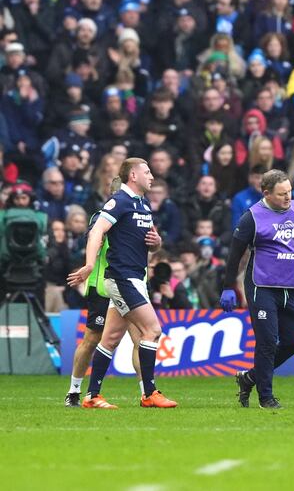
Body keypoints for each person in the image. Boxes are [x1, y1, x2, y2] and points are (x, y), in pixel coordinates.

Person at [66, 158, 177, 409]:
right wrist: (90, 265)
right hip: (122, 278)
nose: (152, 176)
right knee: (152, 331)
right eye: (147, 172)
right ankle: (149, 393)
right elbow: (96, 232)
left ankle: (92, 395)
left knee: (111, 338)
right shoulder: (120, 201)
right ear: (133, 176)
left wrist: (156, 242)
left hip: (136, 277)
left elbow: (150, 244)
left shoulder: (144, 205)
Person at [219, 169, 294, 409]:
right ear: (266, 194)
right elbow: (234, 255)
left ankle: (250, 378)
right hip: (261, 286)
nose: (288, 197)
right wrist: (228, 287)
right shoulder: (252, 218)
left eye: (290, 192)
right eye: (282, 194)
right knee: (266, 343)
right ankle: (266, 397)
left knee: (293, 342)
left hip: (289, 288)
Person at [64, 178, 143, 407]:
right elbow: (94, 238)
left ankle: (147, 392)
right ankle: (74, 391)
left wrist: (155, 242)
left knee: (141, 336)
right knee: (92, 338)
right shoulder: (103, 215)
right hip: (102, 286)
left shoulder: (139, 215)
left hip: (128, 284)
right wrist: (90, 259)